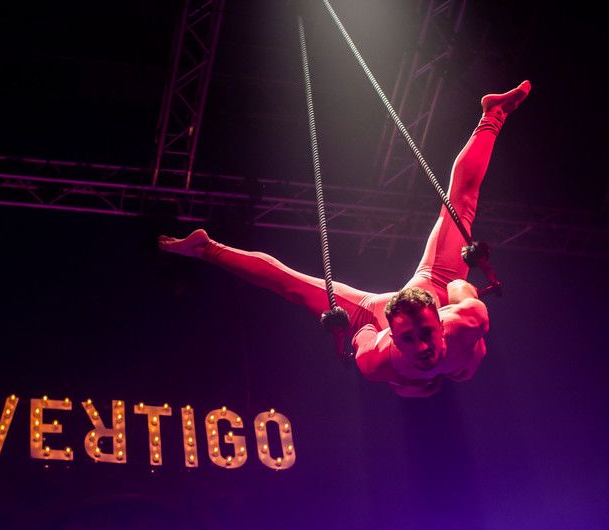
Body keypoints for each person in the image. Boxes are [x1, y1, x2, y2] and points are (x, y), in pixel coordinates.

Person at [159, 81, 530, 397]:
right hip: (432, 291)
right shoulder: (459, 324)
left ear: (439, 320)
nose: (421, 346)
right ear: (395, 336)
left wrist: (351, 328)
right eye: (409, 337)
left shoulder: (382, 357)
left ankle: (206, 249)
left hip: (399, 304)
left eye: (424, 333)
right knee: (459, 207)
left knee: (292, 286)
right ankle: (494, 115)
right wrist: (465, 272)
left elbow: (366, 330)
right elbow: (457, 290)